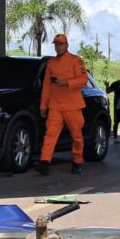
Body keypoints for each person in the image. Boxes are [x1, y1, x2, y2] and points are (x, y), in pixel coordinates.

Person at [37, 34, 89, 175]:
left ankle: (77, 161)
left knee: (76, 135)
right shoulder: (51, 63)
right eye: (56, 44)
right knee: (50, 134)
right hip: (55, 105)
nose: (58, 47)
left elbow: (83, 80)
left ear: (66, 45)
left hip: (73, 105)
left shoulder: (76, 60)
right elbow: (47, 86)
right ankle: (45, 161)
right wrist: (43, 105)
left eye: (60, 44)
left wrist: (67, 83)